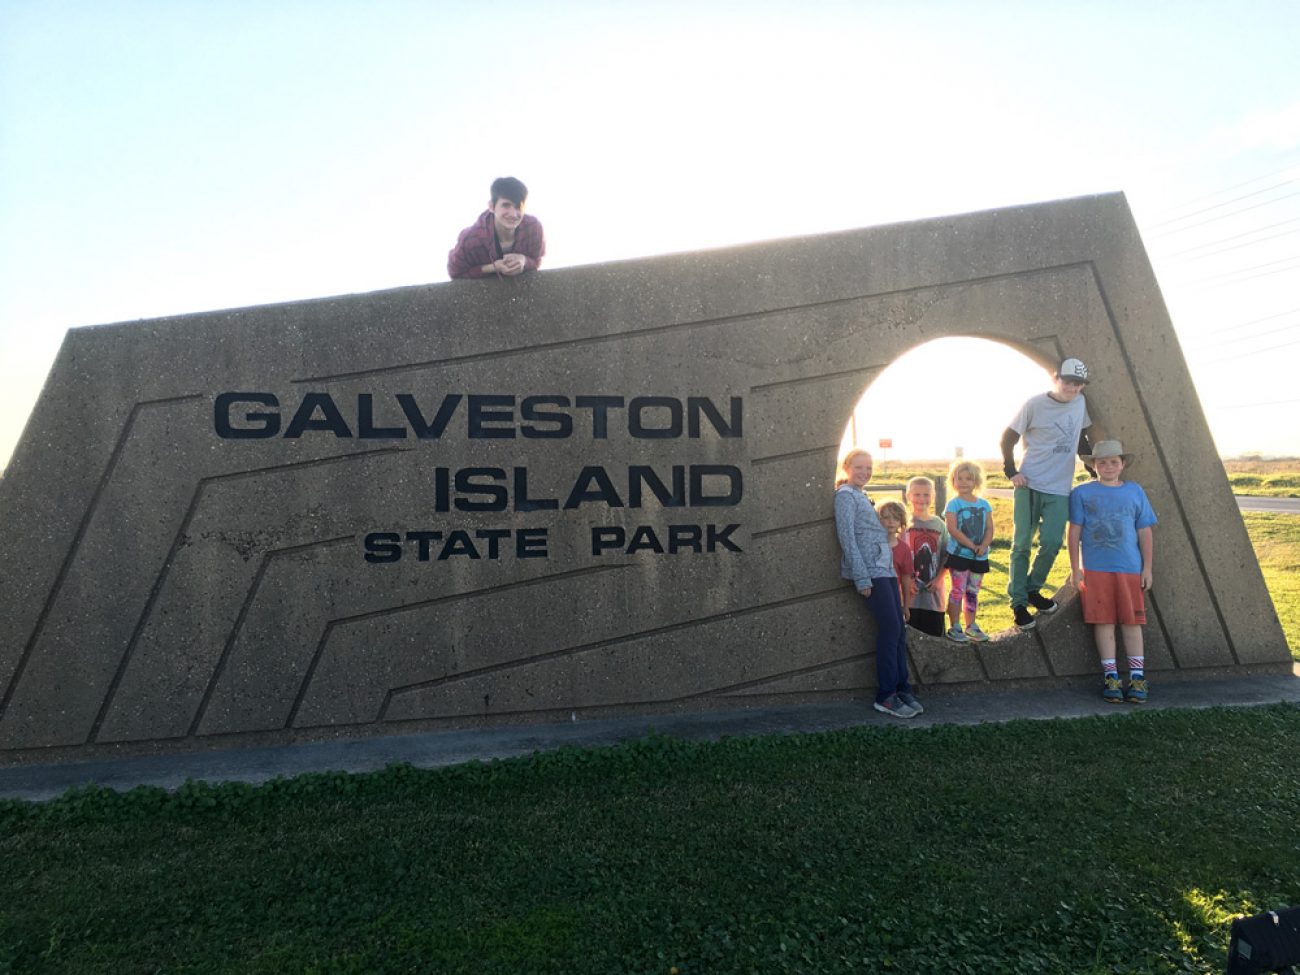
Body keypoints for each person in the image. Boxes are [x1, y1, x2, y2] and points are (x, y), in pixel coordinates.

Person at [1001, 357, 1094, 630]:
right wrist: (1011, 471)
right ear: (1056, 378)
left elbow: (1080, 439)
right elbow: (1008, 437)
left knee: (1053, 542)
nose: (1073, 388)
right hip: (1029, 484)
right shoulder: (1034, 404)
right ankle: (1018, 603)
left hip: (1059, 487)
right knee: (1021, 545)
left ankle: (1032, 588)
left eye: (1078, 384)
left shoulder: (1080, 403)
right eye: (1068, 381)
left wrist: (1092, 470)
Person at [834, 449, 923, 719]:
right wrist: (861, 577)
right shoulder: (845, 496)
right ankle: (885, 696)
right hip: (871, 573)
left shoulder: (862, 495)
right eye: (859, 467)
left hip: (885, 571)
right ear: (847, 467)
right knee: (890, 629)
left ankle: (901, 687)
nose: (865, 472)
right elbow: (847, 537)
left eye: (868, 467)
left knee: (899, 630)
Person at [1067, 440, 1157, 703]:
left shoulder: (1135, 491)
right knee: (1103, 621)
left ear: (1123, 464)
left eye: (1114, 461)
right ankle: (1111, 677)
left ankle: (1137, 678)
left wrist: (1147, 568)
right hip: (1095, 569)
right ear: (1093, 466)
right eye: (1102, 462)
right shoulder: (1082, 493)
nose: (1108, 466)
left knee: (1132, 622)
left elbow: (1145, 531)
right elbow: (1074, 531)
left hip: (1130, 568)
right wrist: (1075, 568)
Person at [447, 176, 546, 279]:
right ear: (491, 206)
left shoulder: (534, 228)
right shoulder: (470, 239)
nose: (513, 214)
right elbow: (455, 273)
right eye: (506, 205)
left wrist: (524, 260)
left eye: (518, 207)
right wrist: (493, 267)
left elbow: (536, 261)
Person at [942, 460, 994, 644]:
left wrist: (984, 545)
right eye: (959, 478)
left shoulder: (985, 504)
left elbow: (989, 528)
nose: (964, 482)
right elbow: (953, 529)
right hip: (959, 556)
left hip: (980, 556)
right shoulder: (953, 504)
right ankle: (954, 626)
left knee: (972, 591)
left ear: (976, 481)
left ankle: (971, 625)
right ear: (953, 481)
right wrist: (972, 546)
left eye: (969, 479)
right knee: (958, 590)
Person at [902, 476, 948, 637]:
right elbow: (895, 557)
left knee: (935, 642)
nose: (922, 499)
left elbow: (946, 556)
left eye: (926, 495)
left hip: (934, 599)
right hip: (908, 599)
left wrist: (939, 578)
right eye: (917, 494)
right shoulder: (903, 524)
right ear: (908, 496)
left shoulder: (939, 525)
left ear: (933, 496)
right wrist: (906, 581)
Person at [876, 499, 913, 619]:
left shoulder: (904, 549)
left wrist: (906, 606)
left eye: (896, 519)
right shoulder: (872, 546)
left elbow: (906, 579)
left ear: (901, 522)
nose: (891, 522)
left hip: (894, 597)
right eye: (886, 518)